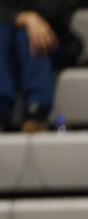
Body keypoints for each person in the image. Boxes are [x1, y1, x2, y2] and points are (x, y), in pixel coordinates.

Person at [0, 0, 82, 132]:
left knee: (28, 36)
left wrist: (28, 18)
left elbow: (53, 9)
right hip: (8, 37)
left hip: (52, 34)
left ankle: (36, 109)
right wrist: (23, 18)